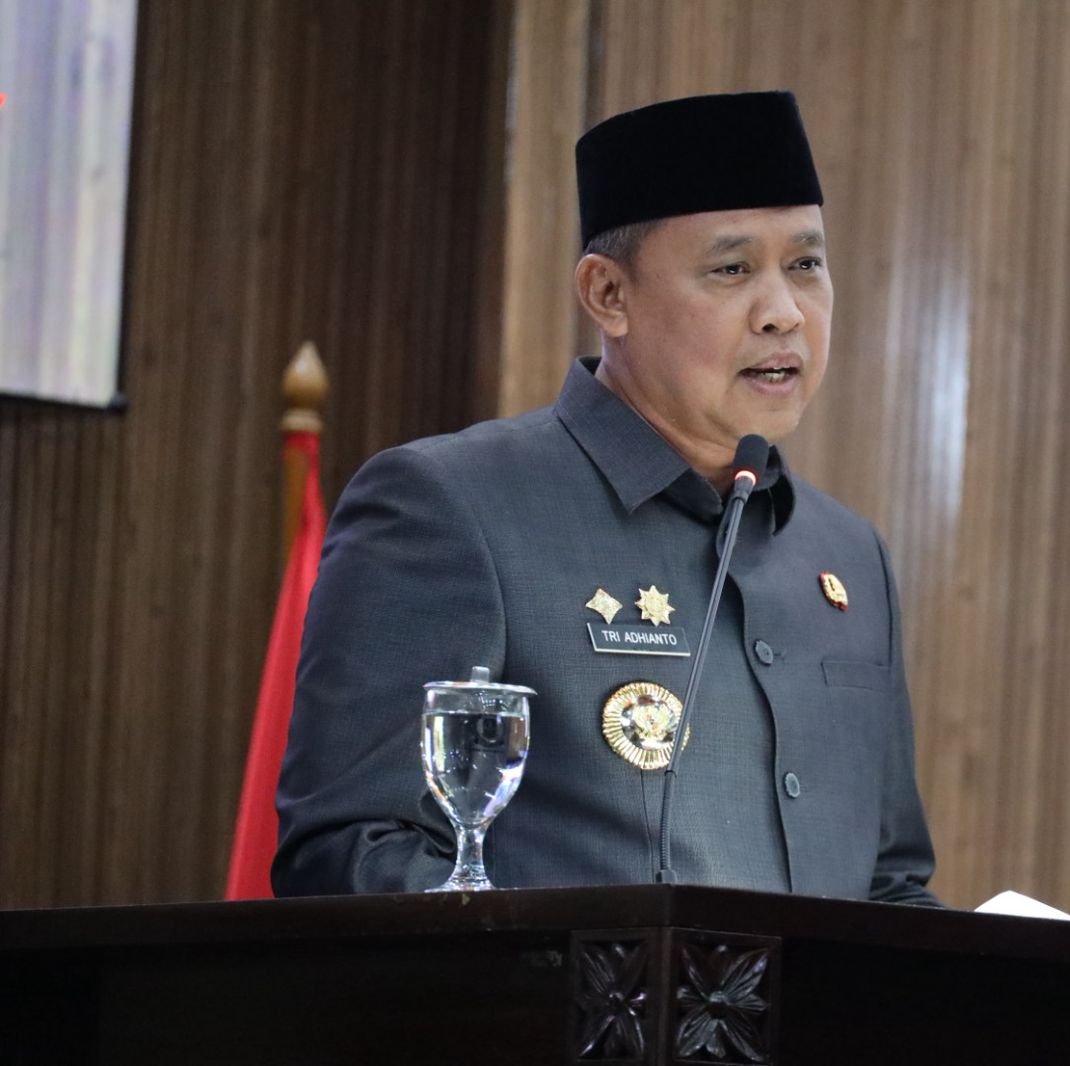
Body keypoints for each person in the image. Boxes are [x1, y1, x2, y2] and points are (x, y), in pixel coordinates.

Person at [273, 91, 938, 904]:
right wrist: (588, 972)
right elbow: (352, 854)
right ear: (608, 295)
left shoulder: (848, 555)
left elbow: (890, 885)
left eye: (805, 265)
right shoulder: (450, 509)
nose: (783, 313)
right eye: (731, 269)